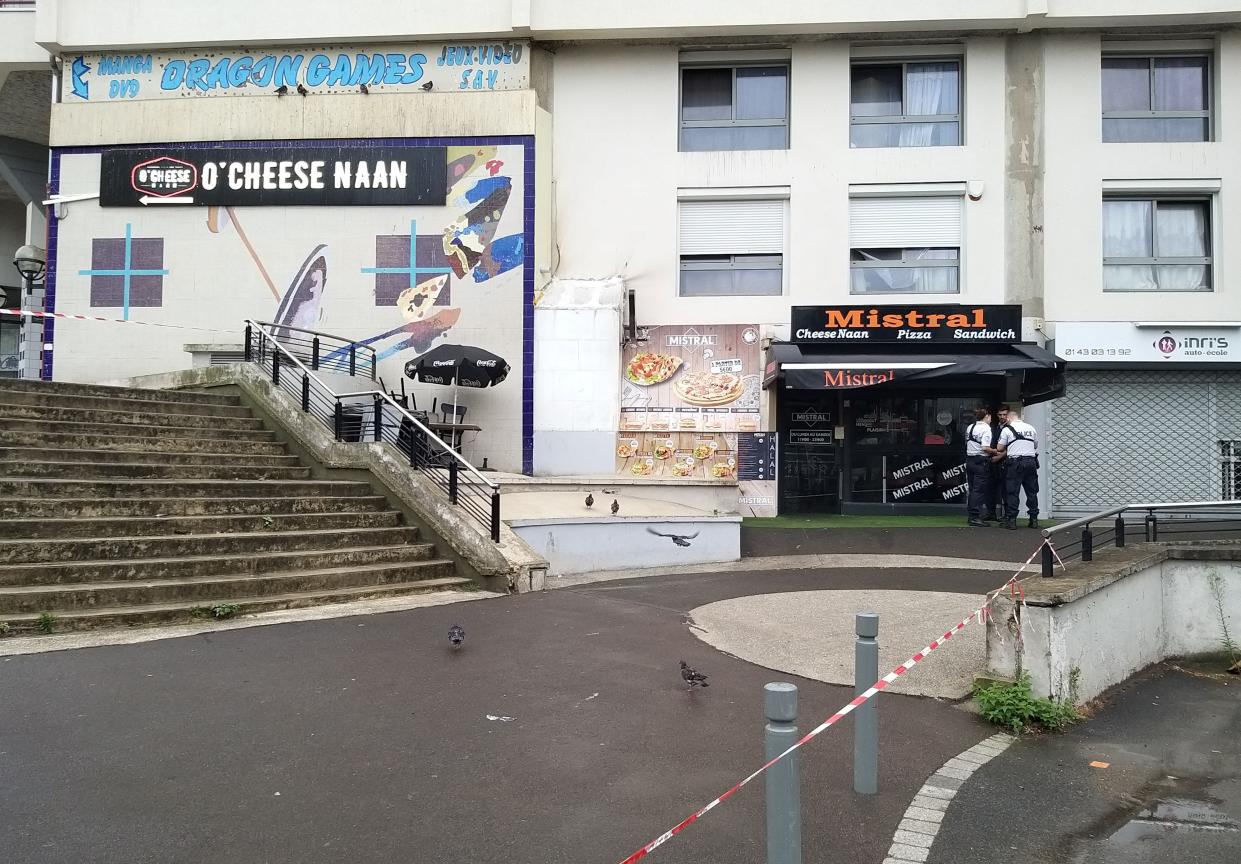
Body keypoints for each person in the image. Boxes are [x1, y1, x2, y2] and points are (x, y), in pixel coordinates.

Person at [996, 405, 1040, 530]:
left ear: (1009, 418)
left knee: (1012, 492)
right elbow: (1035, 445)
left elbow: (999, 448)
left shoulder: (1007, 429)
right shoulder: (1031, 428)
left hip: (1015, 463)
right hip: (1031, 462)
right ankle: (1034, 519)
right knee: (1032, 492)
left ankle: (1012, 520)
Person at [964, 406, 995, 528]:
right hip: (980, 461)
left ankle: (971, 515)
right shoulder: (986, 429)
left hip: (970, 460)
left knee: (972, 489)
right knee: (979, 490)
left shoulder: (970, 427)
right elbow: (985, 447)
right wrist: (994, 451)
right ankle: (975, 517)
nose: (991, 419)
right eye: (990, 417)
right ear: (986, 416)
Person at [983, 404, 1010, 522]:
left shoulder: (1012, 428)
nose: (1002, 417)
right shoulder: (993, 427)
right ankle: (991, 513)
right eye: (1000, 415)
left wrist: (1000, 456)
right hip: (992, 461)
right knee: (990, 488)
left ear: (1008, 414)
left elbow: (1013, 446)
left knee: (1006, 489)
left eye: (1004, 414)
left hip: (1005, 462)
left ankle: (1007, 515)